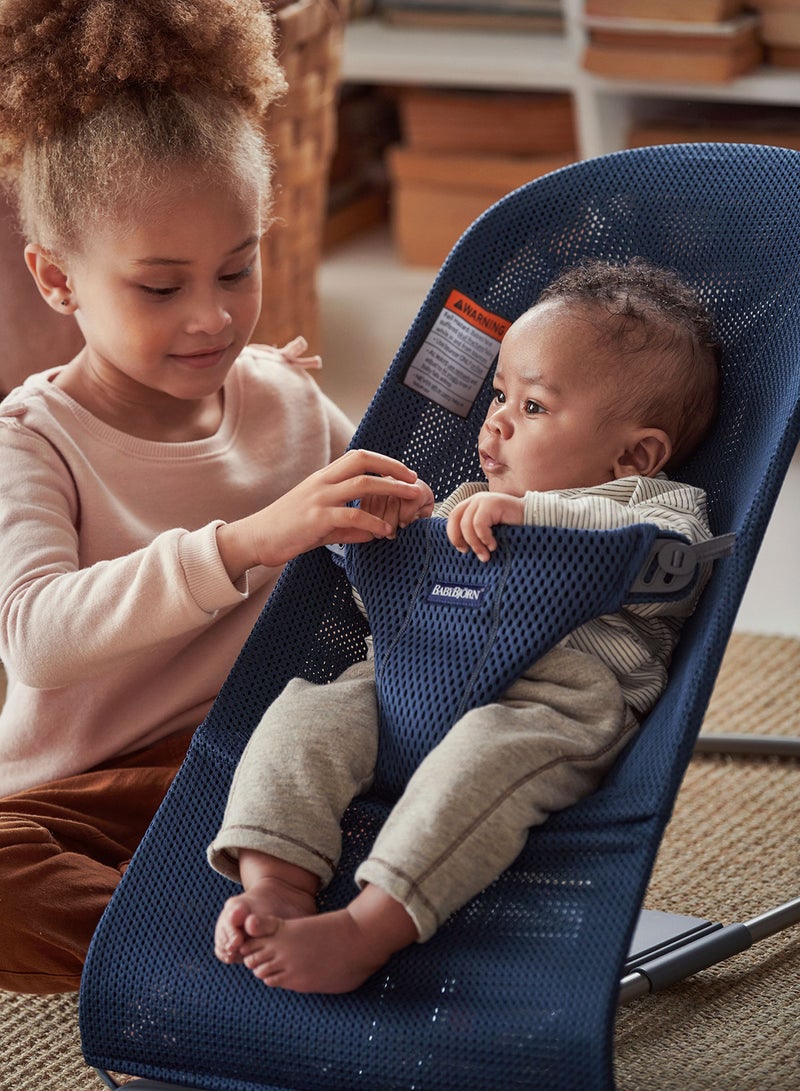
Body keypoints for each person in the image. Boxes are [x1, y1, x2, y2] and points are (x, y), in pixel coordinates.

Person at [0, 0, 430, 995]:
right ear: (57, 279)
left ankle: (248, 945)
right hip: (89, 791)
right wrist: (240, 543)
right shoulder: (34, 441)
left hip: (270, 762)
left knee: (442, 774)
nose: (212, 315)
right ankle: (233, 963)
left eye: (237, 268)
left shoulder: (284, 395)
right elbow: (35, 635)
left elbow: (376, 540)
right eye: (160, 288)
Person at [208, 257, 721, 994]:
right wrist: (391, 545)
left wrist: (534, 514)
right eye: (499, 393)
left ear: (634, 452)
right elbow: (381, 611)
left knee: (481, 764)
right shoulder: (467, 498)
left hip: (550, 704)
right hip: (409, 682)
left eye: (535, 407)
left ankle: (367, 927)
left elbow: (670, 567)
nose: (498, 419)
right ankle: (274, 879)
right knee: (306, 712)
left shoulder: (656, 504)